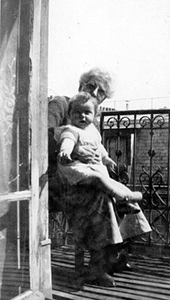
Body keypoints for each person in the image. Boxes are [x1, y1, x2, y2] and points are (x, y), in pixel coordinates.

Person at [48, 67, 151, 287]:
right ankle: (97, 266)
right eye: (90, 85)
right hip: (59, 178)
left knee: (120, 195)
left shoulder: (91, 116)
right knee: (102, 195)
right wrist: (72, 150)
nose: (95, 92)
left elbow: (98, 149)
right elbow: (41, 135)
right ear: (80, 84)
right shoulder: (61, 103)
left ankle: (115, 256)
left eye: (101, 91)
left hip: (84, 178)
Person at [56, 92, 142, 214]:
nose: (82, 116)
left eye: (87, 112)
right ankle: (122, 197)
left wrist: (106, 158)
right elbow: (67, 141)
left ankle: (124, 200)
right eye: (77, 112)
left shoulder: (93, 131)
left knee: (109, 182)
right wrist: (65, 151)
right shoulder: (71, 130)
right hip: (77, 169)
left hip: (93, 167)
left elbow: (99, 146)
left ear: (94, 115)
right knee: (98, 179)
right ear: (70, 114)